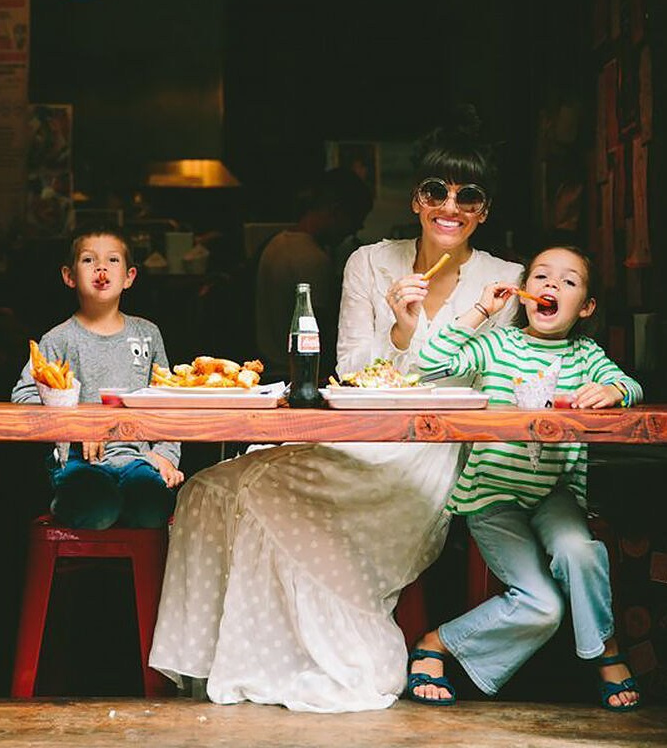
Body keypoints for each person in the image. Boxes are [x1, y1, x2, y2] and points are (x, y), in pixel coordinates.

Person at [148, 108, 522, 712]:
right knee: (209, 489)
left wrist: (417, 345)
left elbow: (485, 381)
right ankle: (222, 661)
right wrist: (400, 333)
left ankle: (310, 657)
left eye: (468, 196)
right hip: (357, 436)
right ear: (416, 200)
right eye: (436, 191)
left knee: (258, 491)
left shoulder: (503, 280)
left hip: (430, 457)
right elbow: (349, 371)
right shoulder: (370, 263)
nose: (450, 207)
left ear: (484, 210)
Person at [408, 244, 641, 712]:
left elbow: (633, 388)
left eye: (569, 281)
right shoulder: (497, 345)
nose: (552, 285)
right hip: (493, 497)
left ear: (587, 306)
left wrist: (612, 390)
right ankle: (438, 642)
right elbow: (429, 363)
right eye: (541, 277)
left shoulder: (586, 354)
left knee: (580, 550)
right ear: (523, 292)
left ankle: (604, 649)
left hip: (554, 494)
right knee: (543, 607)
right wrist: (480, 310)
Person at [12, 227, 183, 529]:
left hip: (138, 460)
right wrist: (79, 427)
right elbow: (24, 397)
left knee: (151, 510)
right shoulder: (58, 339)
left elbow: (168, 400)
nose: (102, 268)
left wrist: (166, 455)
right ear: (69, 276)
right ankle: (69, 501)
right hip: (77, 461)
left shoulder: (148, 334)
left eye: (113, 260)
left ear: (130, 276)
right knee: (98, 510)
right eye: (89, 260)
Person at [255, 167, 373, 381]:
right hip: (297, 374)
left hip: (269, 366)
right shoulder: (313, 259)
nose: (356, 229)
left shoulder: (276, 243)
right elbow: (318, 332)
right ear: (336, 211)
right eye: (355, 219)